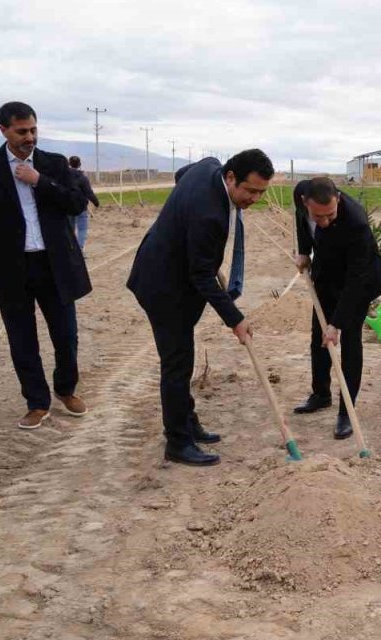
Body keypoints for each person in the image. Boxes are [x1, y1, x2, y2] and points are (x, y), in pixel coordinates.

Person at [128, 149, 275, 466]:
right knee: (177, 364)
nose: (254, 199)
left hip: (167, 266)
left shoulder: (209, 166)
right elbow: (202, 277)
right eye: (250, 191)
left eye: (261, 192)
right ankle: (178, 441)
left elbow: (181, 175)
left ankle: (187, 420)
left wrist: (184, 221)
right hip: (163, 286)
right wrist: (235, 319)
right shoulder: (210, 215)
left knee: (183, 357)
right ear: (231, 177)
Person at [0, 101, 91, 430]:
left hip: (54, 264)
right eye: (22, 131)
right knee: (22, 340)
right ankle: (37, 402)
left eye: (33, 130)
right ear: (3, 130)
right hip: (11, 268)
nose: (30, 137)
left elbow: (76, 203)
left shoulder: (53, 163)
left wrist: (39, 180)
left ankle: (66, 389)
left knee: (66, 336)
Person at [290, 177, 381, 439]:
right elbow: (301, 220)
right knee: (319, 336)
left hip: (358, 281)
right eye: (318, 216)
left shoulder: (356, 223)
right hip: (326, 275)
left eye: (330, 215)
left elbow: (357, 279)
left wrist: (337, 324)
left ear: (338, 199)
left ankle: (347, 409)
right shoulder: (301, 194)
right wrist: (304, 251)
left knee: (349, 340)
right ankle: (321, 394)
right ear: (305, 202)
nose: (324, 222)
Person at [66, 156, 100, 248]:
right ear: (79, 164)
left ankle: (71, 248)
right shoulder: (82, 178)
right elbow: (89, 193)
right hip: (81, 207)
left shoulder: (64, 176)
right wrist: (96, 203)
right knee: (82, 229)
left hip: (68, 206)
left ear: (69, 163)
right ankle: (80, 248)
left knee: (70, 229)